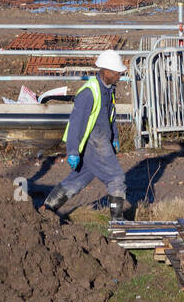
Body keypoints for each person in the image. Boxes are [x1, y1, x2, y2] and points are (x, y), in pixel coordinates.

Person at [42, 50, 131, 219]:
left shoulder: (109, 89)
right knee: (116, 178)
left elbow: (110, 116)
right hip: (94, 142)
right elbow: (76, 123)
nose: (119, 76)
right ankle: (117, 224)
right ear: (105, 71)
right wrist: (73, 151)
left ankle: (46, 211)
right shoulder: (88, 92)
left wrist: (115, 137)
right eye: (116, 73)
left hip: (102, 139)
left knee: (77, 180)